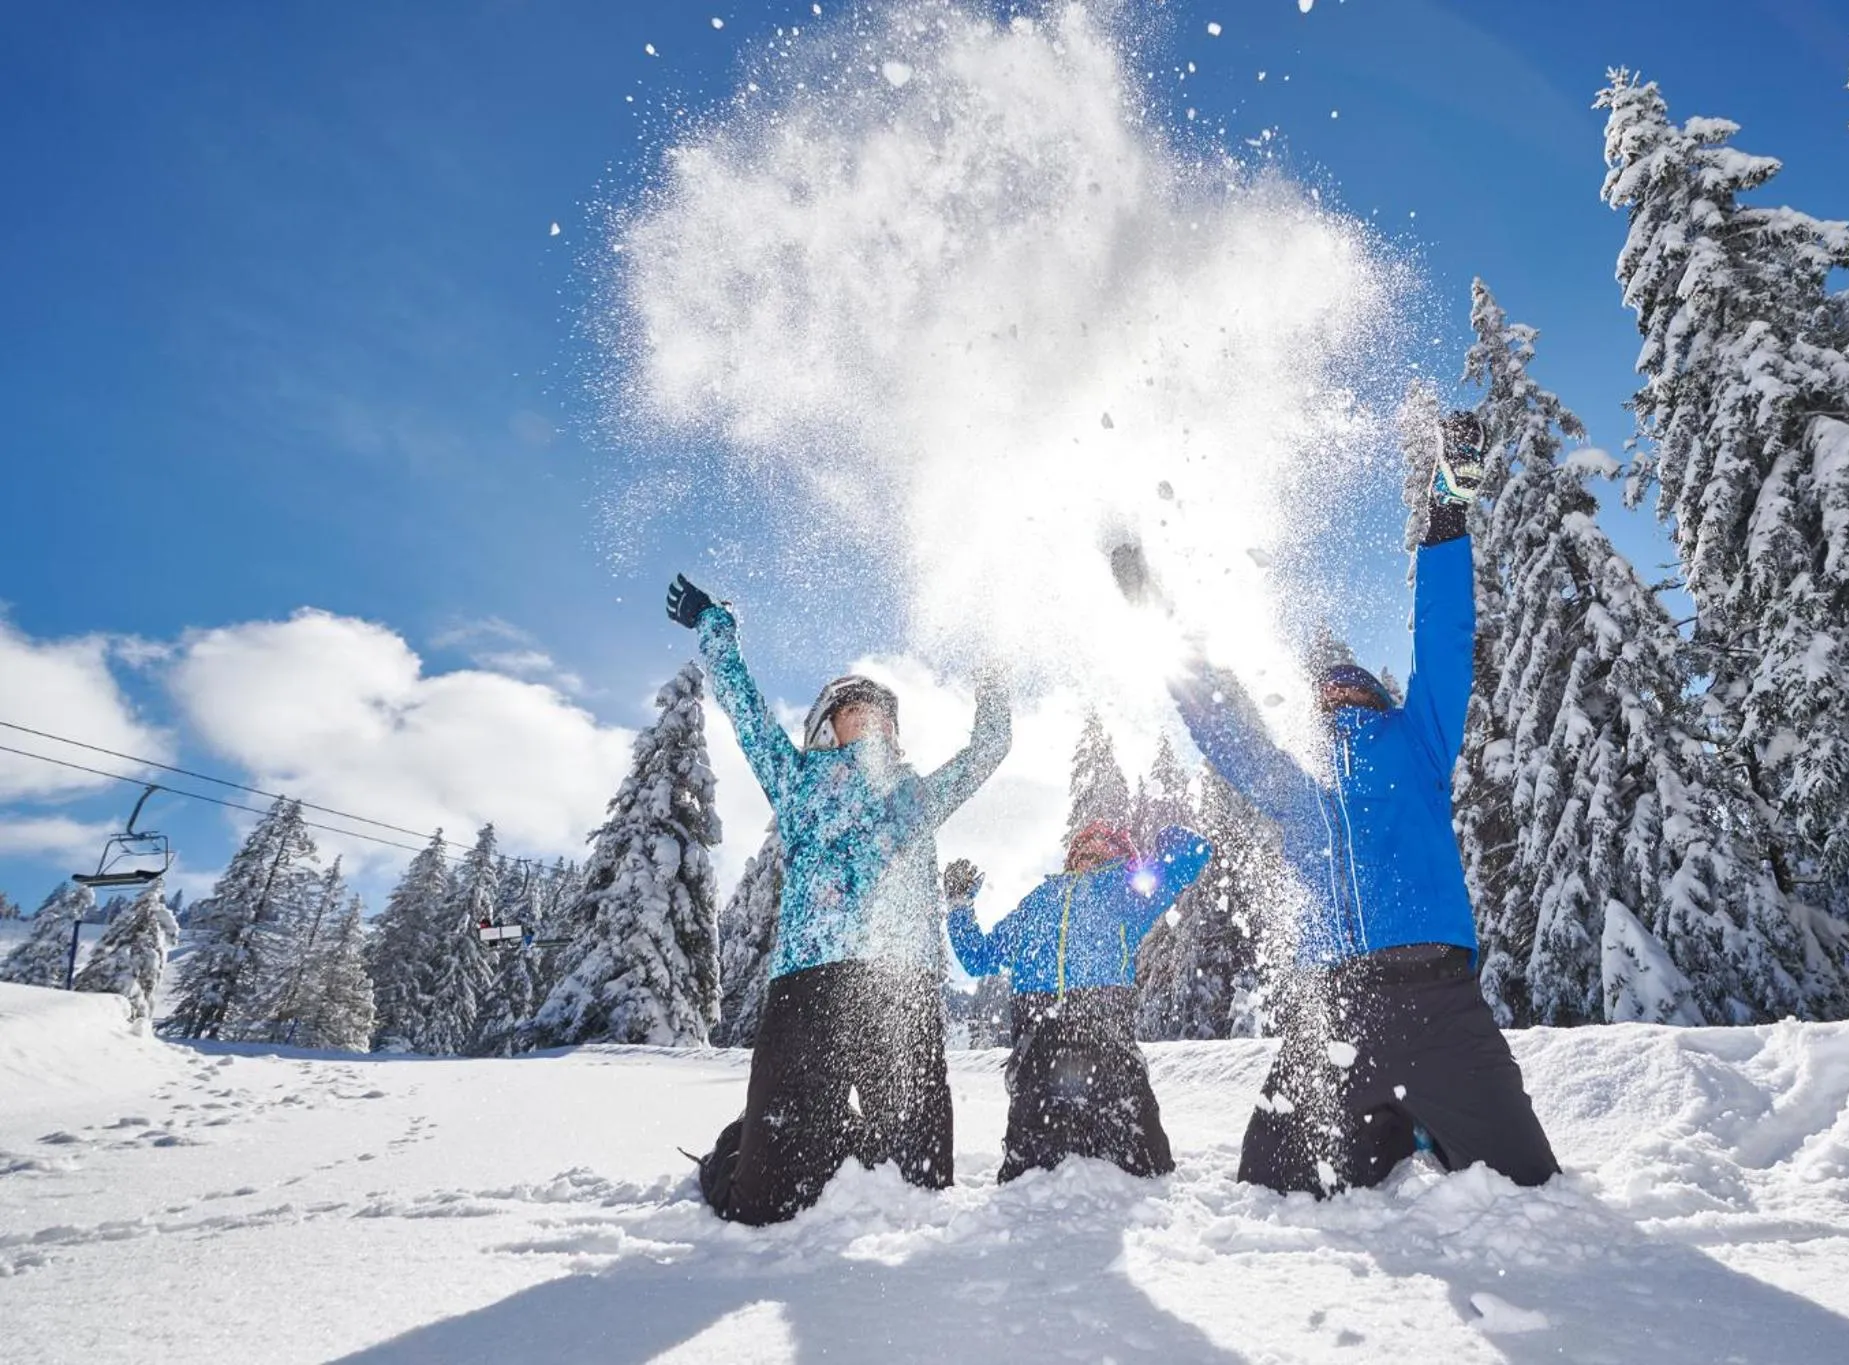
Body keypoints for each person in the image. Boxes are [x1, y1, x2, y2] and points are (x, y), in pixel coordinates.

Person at [1124, 411, 1558, 1195]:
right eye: (1325, 686)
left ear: (1374, 690)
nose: (1337, 689)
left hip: (1439, 1004)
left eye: (1350, 679)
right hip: (1334, 1017)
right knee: (1267, 1189)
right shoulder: (1299, 783)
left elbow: (1445, 640)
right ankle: (1395, 1138)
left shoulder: (1418, 737)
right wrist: (1153, 608)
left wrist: (1448, 510)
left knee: (1530, 1186)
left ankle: (1421, 1128)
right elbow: (1223, 723)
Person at [666, 571, 1012, 1225]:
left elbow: (989, 748)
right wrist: (716, 627)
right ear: (829, 725)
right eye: (857, 709)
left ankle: (834, 1134)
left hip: (900, 988)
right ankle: (745, 1145)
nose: (873, 717)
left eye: (882, 711)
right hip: (809, 983)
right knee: (761, 1203)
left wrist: (993, 674)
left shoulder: (916, 793)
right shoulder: (796, 779)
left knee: (921, 1185)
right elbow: (745, 710)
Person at [945, 819, 1211, 1181]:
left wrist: (1169, 840)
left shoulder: (1127, 892)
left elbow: (1193, 855)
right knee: (1029, 1172)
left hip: (1103, 1031)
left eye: (1105, 844)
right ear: (1071, 855)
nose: (1091, 849)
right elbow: (978, 957)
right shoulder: (1038, 902)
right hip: (1039, 1040)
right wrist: (959, 905)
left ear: (1122, 856)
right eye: (1084, 844)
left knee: (1143, 1161)